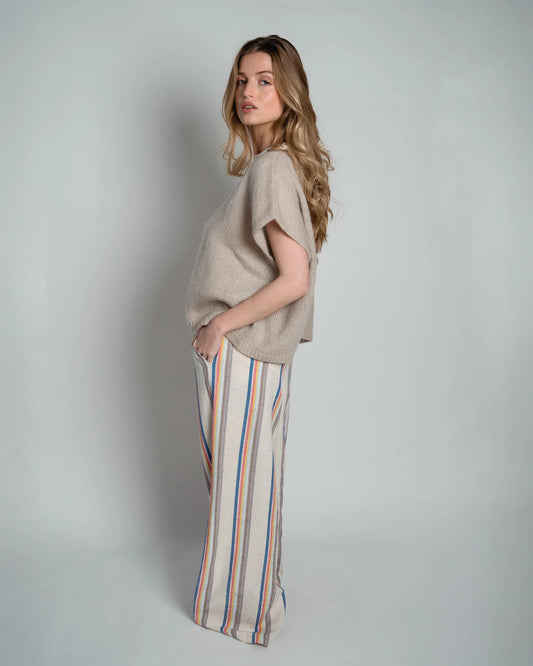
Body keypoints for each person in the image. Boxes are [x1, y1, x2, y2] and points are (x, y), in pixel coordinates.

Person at [185, 34, 333, 647]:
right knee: (252, 485)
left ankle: (239, 616)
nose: (248, 91)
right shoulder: (274, 166)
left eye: (265, 81)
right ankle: (252, 609)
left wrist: (220, 324)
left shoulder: (272, 169)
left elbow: (294, 279)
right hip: (255, 356)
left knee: (239, 491)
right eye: (242, 80)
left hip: (242, 353)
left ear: (288, 92)